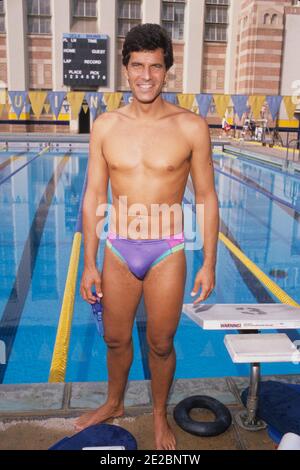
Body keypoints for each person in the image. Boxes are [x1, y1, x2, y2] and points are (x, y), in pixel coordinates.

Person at [75, 23, 219, 450]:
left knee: (160, 343)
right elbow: (93, 194)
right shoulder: (105, 125)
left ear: (167, 70)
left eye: (155, 67)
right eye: (137, 65)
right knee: (116, 339)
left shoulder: (190, 127)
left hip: (166, 250)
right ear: (125, 68)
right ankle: (114, 403)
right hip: (118, 248)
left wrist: (209, 262)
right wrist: (88, 262)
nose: (145, 75)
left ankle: (159, 417)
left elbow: (207, 198)